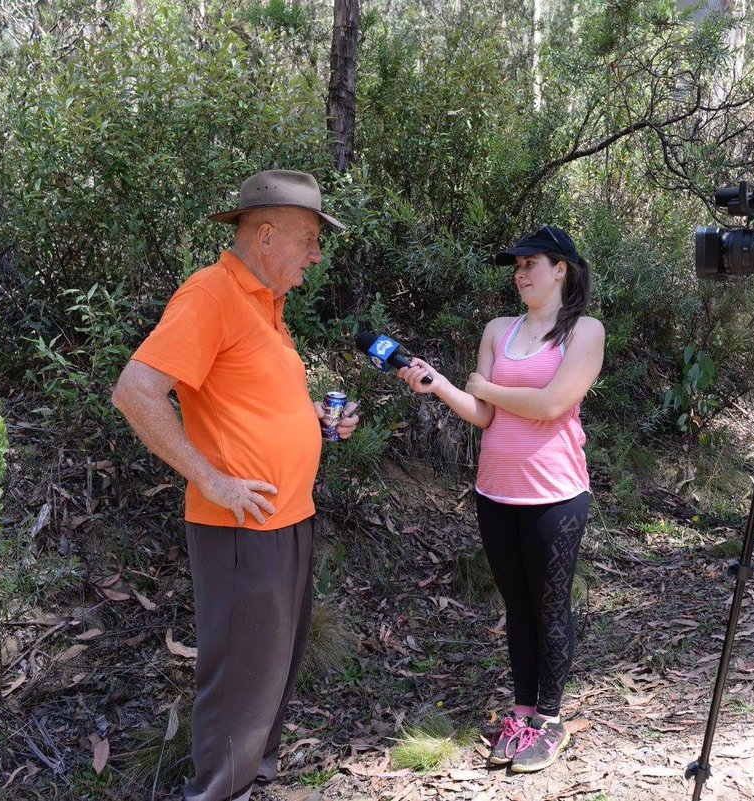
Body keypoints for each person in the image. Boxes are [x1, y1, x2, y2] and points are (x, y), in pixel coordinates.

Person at [111, 169, 360, 801]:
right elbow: (136, 393)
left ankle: (251, 785)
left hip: (288, 521)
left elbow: (248, 408)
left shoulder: (267, 307)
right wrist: (213, 480)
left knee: (272, 675)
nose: (315, 254)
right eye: (308, 238)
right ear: (266, 233)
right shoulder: (211, 293)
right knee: (240, 682)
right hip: (242, 529)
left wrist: (319, 429)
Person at [397, 225, 604, 773]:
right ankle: (522, 711)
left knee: (550, 604)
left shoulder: (585, 331)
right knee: (517, 607)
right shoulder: (498, 329)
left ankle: (550, 721)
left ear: (560, 268)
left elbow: (554, 403)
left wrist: (485, 387)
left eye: (529, 263)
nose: (519, 272)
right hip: (496, 490)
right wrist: (439, 384)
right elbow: (482, 415)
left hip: (556, 493)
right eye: (515, 265)